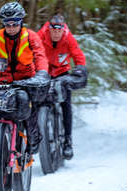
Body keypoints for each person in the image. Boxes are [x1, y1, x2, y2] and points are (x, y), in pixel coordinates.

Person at [0, 1, 49, 154]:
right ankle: (0, 150)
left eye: (15, 23)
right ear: (4, 24)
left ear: (21, 22)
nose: (11, 27)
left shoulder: (31, 36)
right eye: (8, 24)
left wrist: (41, 73)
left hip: (27, 81)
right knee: (0, 110)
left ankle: (34, 139)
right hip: (4, 82)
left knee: (29, 111)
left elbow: (40, 56)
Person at [37, 14, 87, 160]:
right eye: (54, 30)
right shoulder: (41, 36)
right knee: (36, 102)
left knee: (66, 104)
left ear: (63, 28)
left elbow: (79, 56)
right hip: (44, 73)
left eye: (59, 31)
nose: (56, 34)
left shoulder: (68, 38)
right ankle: (35, 138)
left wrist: (80, 69)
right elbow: (30, 53)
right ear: (49, 28)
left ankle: (67, 141)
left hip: (62, 73)